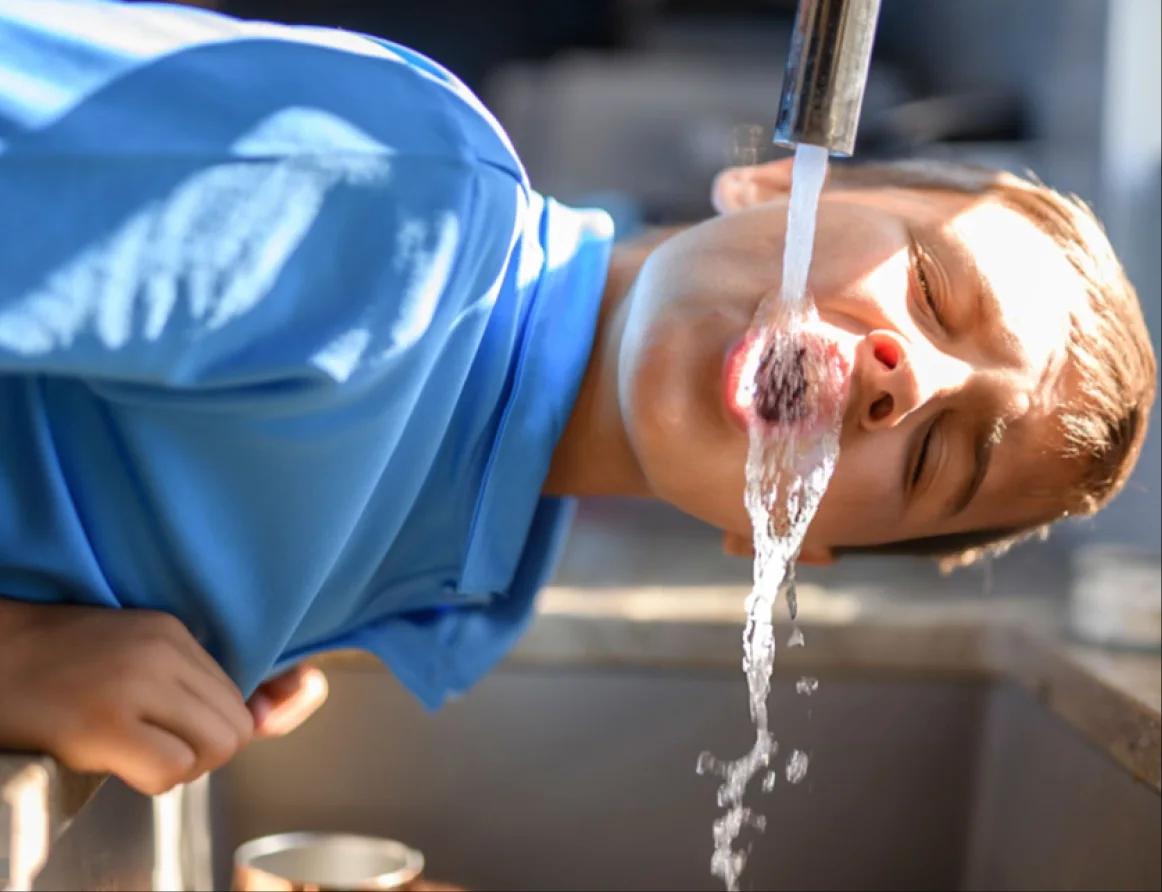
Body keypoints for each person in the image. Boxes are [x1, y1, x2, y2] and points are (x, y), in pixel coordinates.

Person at [0, 1, 1154, 795]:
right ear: (774, 178)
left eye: (934, 459)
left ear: (787, 548)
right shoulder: (405, 204)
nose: (908, 383)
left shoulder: (456, 577)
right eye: (928, 286)